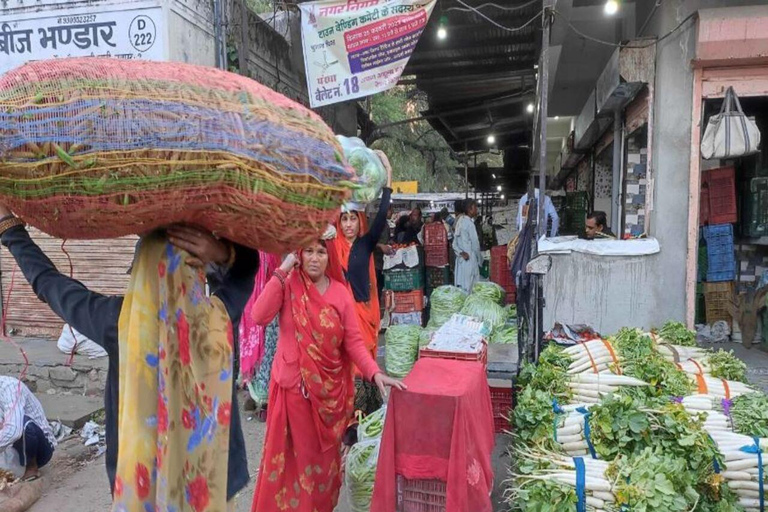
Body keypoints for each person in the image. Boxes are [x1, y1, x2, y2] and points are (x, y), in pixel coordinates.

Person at [0, 207, 257, 510]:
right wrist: (224, 253)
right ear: (196, 272)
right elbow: (244, 272)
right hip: (215, 481)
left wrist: (10, 229)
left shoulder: (118, 323)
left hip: (140, 487)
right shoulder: (218, 319)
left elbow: (49, 284)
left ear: (139, 277)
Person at [249, 240, 405, 512]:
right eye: (308, 250)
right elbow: (259, 315)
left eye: (321, 252)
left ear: (329, 256)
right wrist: (284, 267)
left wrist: (374, 372)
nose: (314, 258)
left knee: (321, 473)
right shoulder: (288, 285)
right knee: (289, 471)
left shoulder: (341, 294)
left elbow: (354, 342)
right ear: (299, 254)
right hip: (292, 395)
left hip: (330, 403)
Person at [327, 152, 393, 426]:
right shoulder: (330, 243)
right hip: (340, 317)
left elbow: (382, 212)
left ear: (359, 221)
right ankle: (348, 425)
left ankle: (365, 423)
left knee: (364, 365)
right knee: (345, 368)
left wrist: (387, 174)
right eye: (344, 220)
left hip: (363, 317)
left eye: (353, 220)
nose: (349, 225)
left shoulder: (366, 244)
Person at [0, 377, 56, 481]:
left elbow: (14, 431)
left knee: (24, 423)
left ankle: (31, 467)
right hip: (11, 447)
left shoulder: (11, 387)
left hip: (40, 447)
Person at [453, 199, 482, 292]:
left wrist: (460, 252)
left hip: (462, 261)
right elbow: (476, 245)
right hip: (470, 261)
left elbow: (454, 243)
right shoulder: (469, 224)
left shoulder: (460, 221)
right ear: (470, 209)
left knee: (462, 289)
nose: (477, 210)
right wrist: (480, 259)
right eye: (475, 207)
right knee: (471, 289)